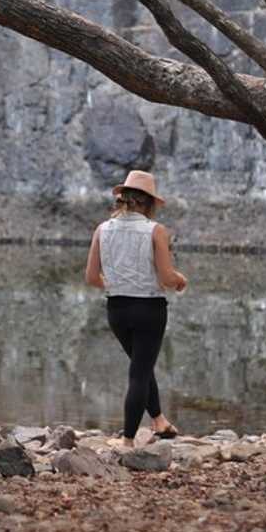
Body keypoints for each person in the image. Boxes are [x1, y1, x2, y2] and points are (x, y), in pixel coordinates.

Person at [84, 170, 187, 449]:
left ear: (123, 199)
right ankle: (129, 441)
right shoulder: (156, 231)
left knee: (141, 365)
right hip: (149, 310)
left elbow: (92, 278)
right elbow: (166, 278)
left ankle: (159, 420)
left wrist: (116, 283)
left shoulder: (101, 229)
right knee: (140, 372)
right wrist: (180, 280)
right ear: (149, 202)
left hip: (116, 310)